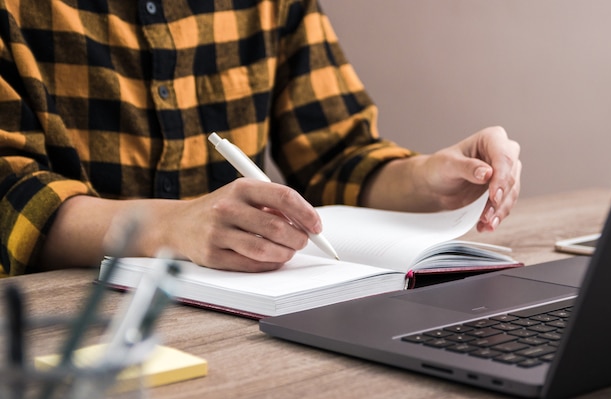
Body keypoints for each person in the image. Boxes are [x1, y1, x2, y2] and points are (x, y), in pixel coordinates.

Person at [0, 0, 521, 277]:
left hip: (237, 318)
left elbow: (335, 154)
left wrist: (428, 177)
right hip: (60, 331)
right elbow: (9, 194)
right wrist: (174, 225)